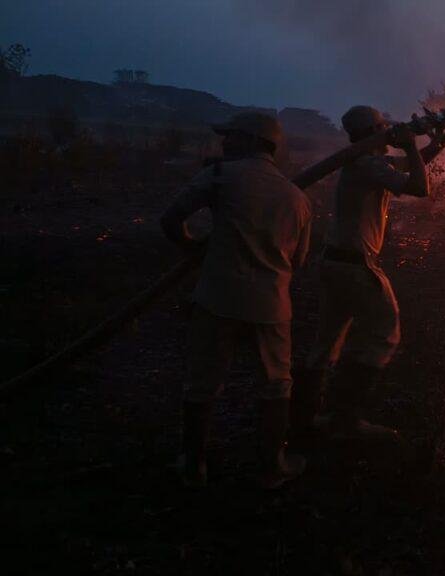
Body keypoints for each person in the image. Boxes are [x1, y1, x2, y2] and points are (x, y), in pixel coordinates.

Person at [160, 112, 312, 489]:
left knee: (202, 382)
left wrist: (191, 245)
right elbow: (298, 260)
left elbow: (171, 219)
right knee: (276, 385)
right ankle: (272, 466)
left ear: (254, 141)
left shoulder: (220, 176)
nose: (224, 142)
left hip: (218, 298)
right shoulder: (297, 198)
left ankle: (193, 465)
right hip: (272, 305)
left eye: (232, 136)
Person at [291, 105, 445, 440]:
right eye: (384, 126)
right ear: (374, 132)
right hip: (355, 267)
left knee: (326, 343)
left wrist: (443, 139)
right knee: (384, 334)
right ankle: (344, 419)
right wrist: (410, 144)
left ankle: (305, 419)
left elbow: (411, 165)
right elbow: (419, 187)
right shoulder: (366, 164)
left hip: (336, 263)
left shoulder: (365, 162)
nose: (390, 130)